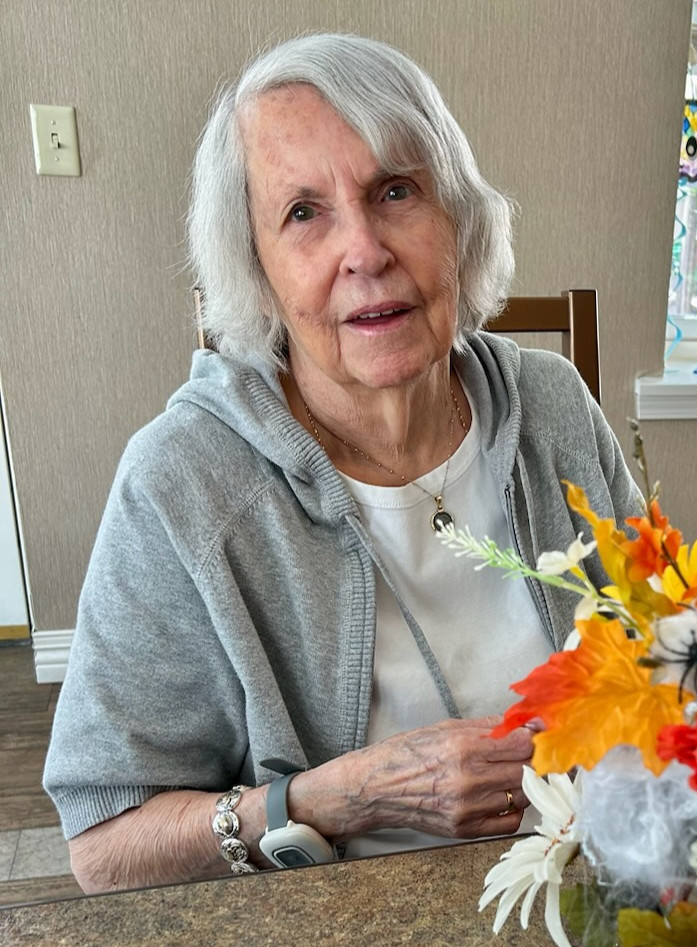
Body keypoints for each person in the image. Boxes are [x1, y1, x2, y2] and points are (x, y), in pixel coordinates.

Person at [43, 32, 641, 892]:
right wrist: (331, 800)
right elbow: (103, 846)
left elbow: (658, 656)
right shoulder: (182, 482)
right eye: (303, 213)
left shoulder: (551, 408)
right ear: (258, 275)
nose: (364, 251)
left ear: (460, 222)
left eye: (396, 191)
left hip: (600, 900)